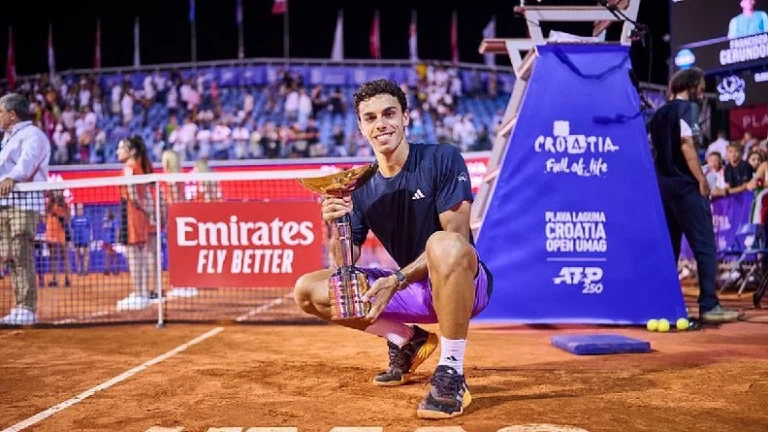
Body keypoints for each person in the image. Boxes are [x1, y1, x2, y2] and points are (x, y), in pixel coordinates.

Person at [293, 79, 493, 419]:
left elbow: (457, 238)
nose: (380, 123)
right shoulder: (359, 186)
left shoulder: (441, 158)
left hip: (463, 284)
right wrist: (337, 225)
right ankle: (407, 339)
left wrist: (397, 278)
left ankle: (452, 371)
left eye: (389, 114)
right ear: (361, 127)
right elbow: (346, 265)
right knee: (308, 290)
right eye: (370, 118)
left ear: (405, 118)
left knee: (442, 243)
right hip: (410, 289)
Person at [649, 67, 741, 324]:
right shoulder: (688, 109)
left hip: (664, 189)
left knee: (670, 250)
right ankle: (709, 305)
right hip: (687, 189)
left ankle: (664, 304)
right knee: (705, 247)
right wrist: (701, 179)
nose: (702, 94)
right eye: (700, 89)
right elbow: (686, 144)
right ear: (690, 87)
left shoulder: (657, 116)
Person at [0, 93, 52, 325]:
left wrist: (12, 177)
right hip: (5, 204)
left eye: (0, 111)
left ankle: (27, 307)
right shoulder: (6, 138)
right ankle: (20, 305)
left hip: (25, 203)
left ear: (12, 115)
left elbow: (26, 162)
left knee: (21, 253)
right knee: (9, 256)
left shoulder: (33, 135)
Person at [115, 136, 154, 311]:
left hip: (131, 213)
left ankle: (139, 294)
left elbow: (132, 194)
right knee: (140, 254)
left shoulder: (130, 168)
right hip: (138, 214)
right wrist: (147, 211)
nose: (118, 152)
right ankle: (142, 292)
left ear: (131, 151)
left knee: (134, 256)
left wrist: (142, 208)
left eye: (121, 148)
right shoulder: (139, 167)